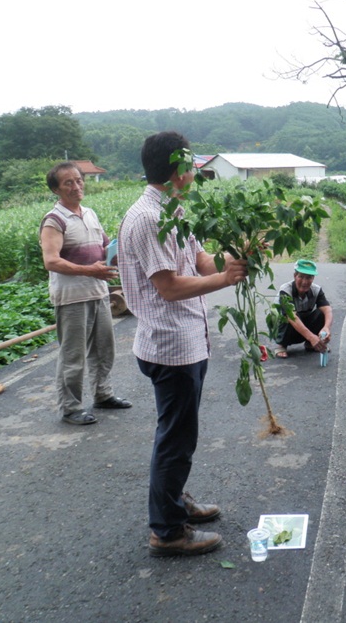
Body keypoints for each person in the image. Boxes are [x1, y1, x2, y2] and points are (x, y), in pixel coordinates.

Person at [119, 131, 249, 557]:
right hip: (169, 346)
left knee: (180, 435)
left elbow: (201, 262)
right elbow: (170, 287)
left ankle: (175, 502)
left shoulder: (174, 210)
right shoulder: (148, 218)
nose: (195, 171)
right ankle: (167, 530)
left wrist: (235, 255)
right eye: (191, 164)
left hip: (188, 341)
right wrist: (223, 280)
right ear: (177, 169)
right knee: (175, 439)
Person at [39, 161, 128, 425]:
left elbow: (103, 246)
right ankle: (70, 407)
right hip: (71, 297)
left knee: (104, 349)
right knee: (73, 355)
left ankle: (103, 394)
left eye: (79, 180)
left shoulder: (89, 213)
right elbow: (51, 261)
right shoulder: (54, 221)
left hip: (98, 292)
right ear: (56, 189)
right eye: (69, 182)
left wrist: (113, 253)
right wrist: (89, 270)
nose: (77, 186)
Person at [272, 259, 333, 358]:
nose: (305, 282)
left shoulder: (316, 290)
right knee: (290, 316)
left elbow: (327, 309)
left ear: (313, 278)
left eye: (309, 277)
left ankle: (310, 344)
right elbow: (292, 317)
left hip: (301, 327)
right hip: (283, 329)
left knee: (321, 313)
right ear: (295, 276)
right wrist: (312, 337)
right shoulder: (285, 290)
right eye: (301, 277)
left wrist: (326, 328)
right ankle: (282, 345)